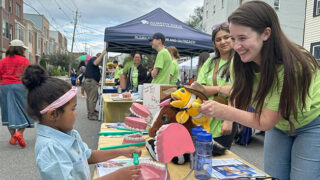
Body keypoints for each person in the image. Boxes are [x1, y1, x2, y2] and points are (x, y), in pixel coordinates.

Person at [200, 1, 320, 179]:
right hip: (280, 125)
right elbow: (238, 94)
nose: (236, 46)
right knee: (273, 175)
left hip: (311, 123)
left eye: (242, 38)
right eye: (233, 38)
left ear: (266, 33)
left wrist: (225, 113)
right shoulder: (239, 63)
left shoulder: (292, 67)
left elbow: (265, 122)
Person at [22, 65, 141, 180]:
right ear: (53, 114)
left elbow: (87, 156)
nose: (76, 114)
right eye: (72, 109)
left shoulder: (68, 133)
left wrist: (122, 152)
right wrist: (117, 176)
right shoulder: (50, 149)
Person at [196, 25, 236, 149]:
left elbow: (238, 92)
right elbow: (198, 89)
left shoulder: (239, 62)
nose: (223, 42)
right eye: (218, 40)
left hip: (225, 118)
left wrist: (229, 121)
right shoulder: (210, 62)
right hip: (205, 117)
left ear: (232, 38)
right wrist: (220, 89)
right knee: (201, 156)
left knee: (219, 158)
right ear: (215, 43)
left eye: (226, 37)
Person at [0, 39, 34, 148]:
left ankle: (13, 136)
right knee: (25, 109)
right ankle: (19, 134)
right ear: (21, 49)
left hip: (4, 86)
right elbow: (29, 76)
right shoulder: (24, 61)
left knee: (8, 110)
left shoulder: (3, 61)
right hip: (20, 86)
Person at [84, 50, 107, 120]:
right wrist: (102, 54)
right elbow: (96, 62)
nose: (101, 61)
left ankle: (91, 111)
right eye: (101, 59)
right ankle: (91, 114)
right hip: (91, 81)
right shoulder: (94, 59)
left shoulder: (92, 61)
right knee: (92, 98)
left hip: (89, 81)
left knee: (90, 98)